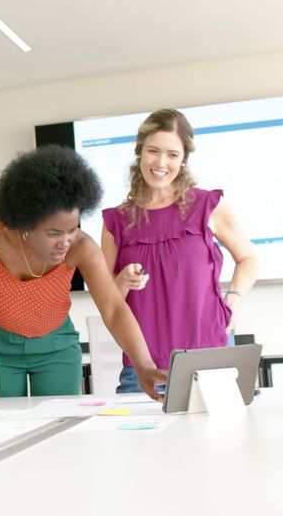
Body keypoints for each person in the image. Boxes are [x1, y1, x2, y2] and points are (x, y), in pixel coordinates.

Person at [0, 146, 165, 409]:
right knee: (1, 429)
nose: (65, 242)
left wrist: (143, 366)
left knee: (58, 428)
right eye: (54, 233)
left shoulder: (81, 247)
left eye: (72, 229)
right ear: (24, 223)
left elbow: (113, 309)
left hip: (56, 349)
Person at [101, 109, 258, 393]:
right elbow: (108, 302)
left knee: (222, 437)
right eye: (153, 151)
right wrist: (122, 281)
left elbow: (248, 258)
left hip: (212, 354)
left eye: (172, 154)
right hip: (144, 366)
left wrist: (233, 298)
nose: (161, 162)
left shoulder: (209, 206)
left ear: (184, 158)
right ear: (140, 153)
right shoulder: (116, 221)